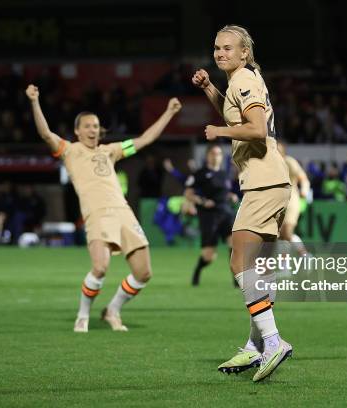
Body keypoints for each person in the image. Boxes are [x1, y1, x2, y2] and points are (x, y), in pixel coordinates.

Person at [26, 84, 182, 333]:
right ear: (77, 131)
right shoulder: (69, 151)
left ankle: (112, 310)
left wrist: (169, 112)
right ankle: (83, 315)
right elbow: (46, 133)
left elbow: (145, 139)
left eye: (96, 126)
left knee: (144, 273)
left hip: (123, 212)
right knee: (100, 267)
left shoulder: (111, 151)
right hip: (97, 215)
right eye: (87, 126)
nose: (92, 130)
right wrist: (34, 101)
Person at [192, 24, 292, 382]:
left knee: (239, 260)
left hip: (263, 181)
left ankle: (273, 340)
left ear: (244, 53)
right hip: (275, 181)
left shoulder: (243, 79)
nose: (220, 53)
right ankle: (254, 347)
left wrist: (219, 133)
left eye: (228, 48)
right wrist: (208, 89)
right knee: (262, 269)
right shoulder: (239, 81)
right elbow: (237, 114)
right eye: (217, 48)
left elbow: (255, 129)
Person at [184, 143, 238, 286]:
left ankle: (236, 279)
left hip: (226, 212)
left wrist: (231, 196)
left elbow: (224, 192)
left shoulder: (224, 174)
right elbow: (188, 194)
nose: (216, 156)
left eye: (219, 154)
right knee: (209, 256)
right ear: (207, 156)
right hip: (209, 216)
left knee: (234, 244)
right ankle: (198, 270)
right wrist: (202, 201)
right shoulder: (200, 174)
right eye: (213, 153)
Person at [276, 141, 311, 257]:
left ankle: (305, 256)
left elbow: (303, 178)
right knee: (280, 235)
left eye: (278, 149)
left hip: (291, 201)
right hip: (277, 203)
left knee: (287, 231)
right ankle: (284, 268)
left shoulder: (289, 162)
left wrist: (304, 190)